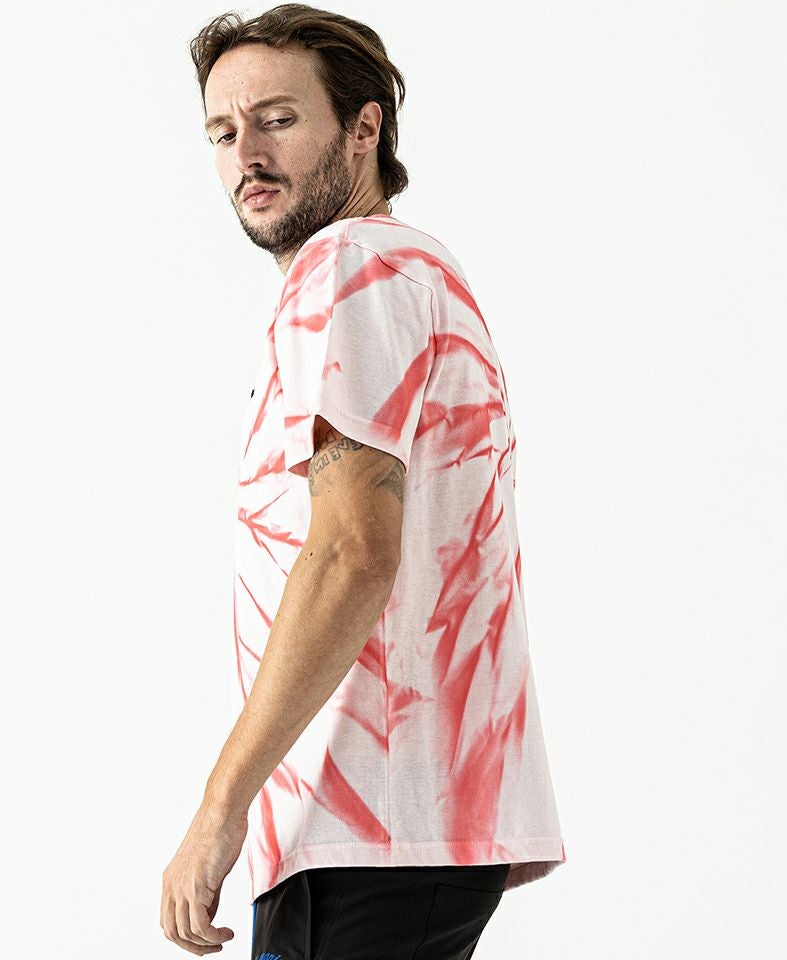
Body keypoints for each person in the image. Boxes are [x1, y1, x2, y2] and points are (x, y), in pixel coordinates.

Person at [161, 4, 567, 957]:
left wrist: (219, 806)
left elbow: (351, 552)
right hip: (398, 824)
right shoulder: (415, 272)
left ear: (364, 127)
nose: (246, 153)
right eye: (222, 131)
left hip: (364, 827)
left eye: (277, 118)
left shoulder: (350, 266)